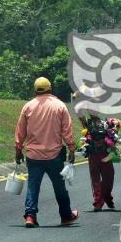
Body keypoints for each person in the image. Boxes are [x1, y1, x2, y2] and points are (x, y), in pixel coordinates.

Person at [15, 77, 79, 228]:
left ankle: (30, 216)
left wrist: (18, 150)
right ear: (51, 89)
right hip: (54, 155)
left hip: (33, 156)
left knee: (33, 186)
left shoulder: (28, 107)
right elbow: (66, 130)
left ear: (35, 90)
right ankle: (66, 215)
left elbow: (20, 130)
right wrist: (71, 148)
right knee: (59, 187)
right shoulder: (60, 106)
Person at [80, 114, 120, 211]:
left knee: (108, 179)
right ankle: (98, 202)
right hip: (93, 155)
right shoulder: (87, 124)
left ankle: (107, 198)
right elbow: (79, 114)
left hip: (106, 155)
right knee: (96, 180)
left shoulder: (107, 121)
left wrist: (115, 124)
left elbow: (117, 123)